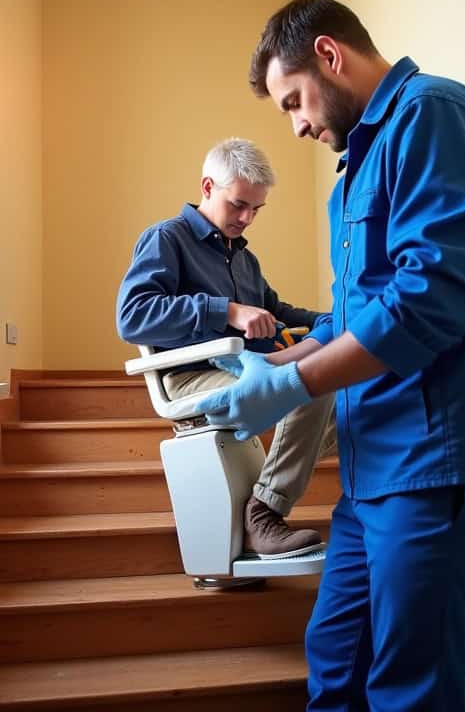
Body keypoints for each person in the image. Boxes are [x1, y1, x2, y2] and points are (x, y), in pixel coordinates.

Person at [197, 0, 465, 710]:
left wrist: (292, 391)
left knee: (406, 692)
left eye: (294, 100)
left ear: (329, 55)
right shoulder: (358, 164)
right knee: (335, 662)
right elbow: (352, 316)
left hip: (432, 468)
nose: (296, 124)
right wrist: (275, 369)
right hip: (371, 469)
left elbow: (431, 299)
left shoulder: (431, 116)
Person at [116, 137, 336, 559]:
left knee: (348, 392)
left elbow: (275, 310)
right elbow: (132, 315)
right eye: (238, 205)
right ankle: (265, 512)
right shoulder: (167, 238)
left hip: (244, 367)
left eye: (256, 209)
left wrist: (329, 320)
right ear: (207, 187)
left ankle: (283, 488)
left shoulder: (243, 258)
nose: (247, 217)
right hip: (187, 376)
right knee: (310, 382)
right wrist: (227, 311)